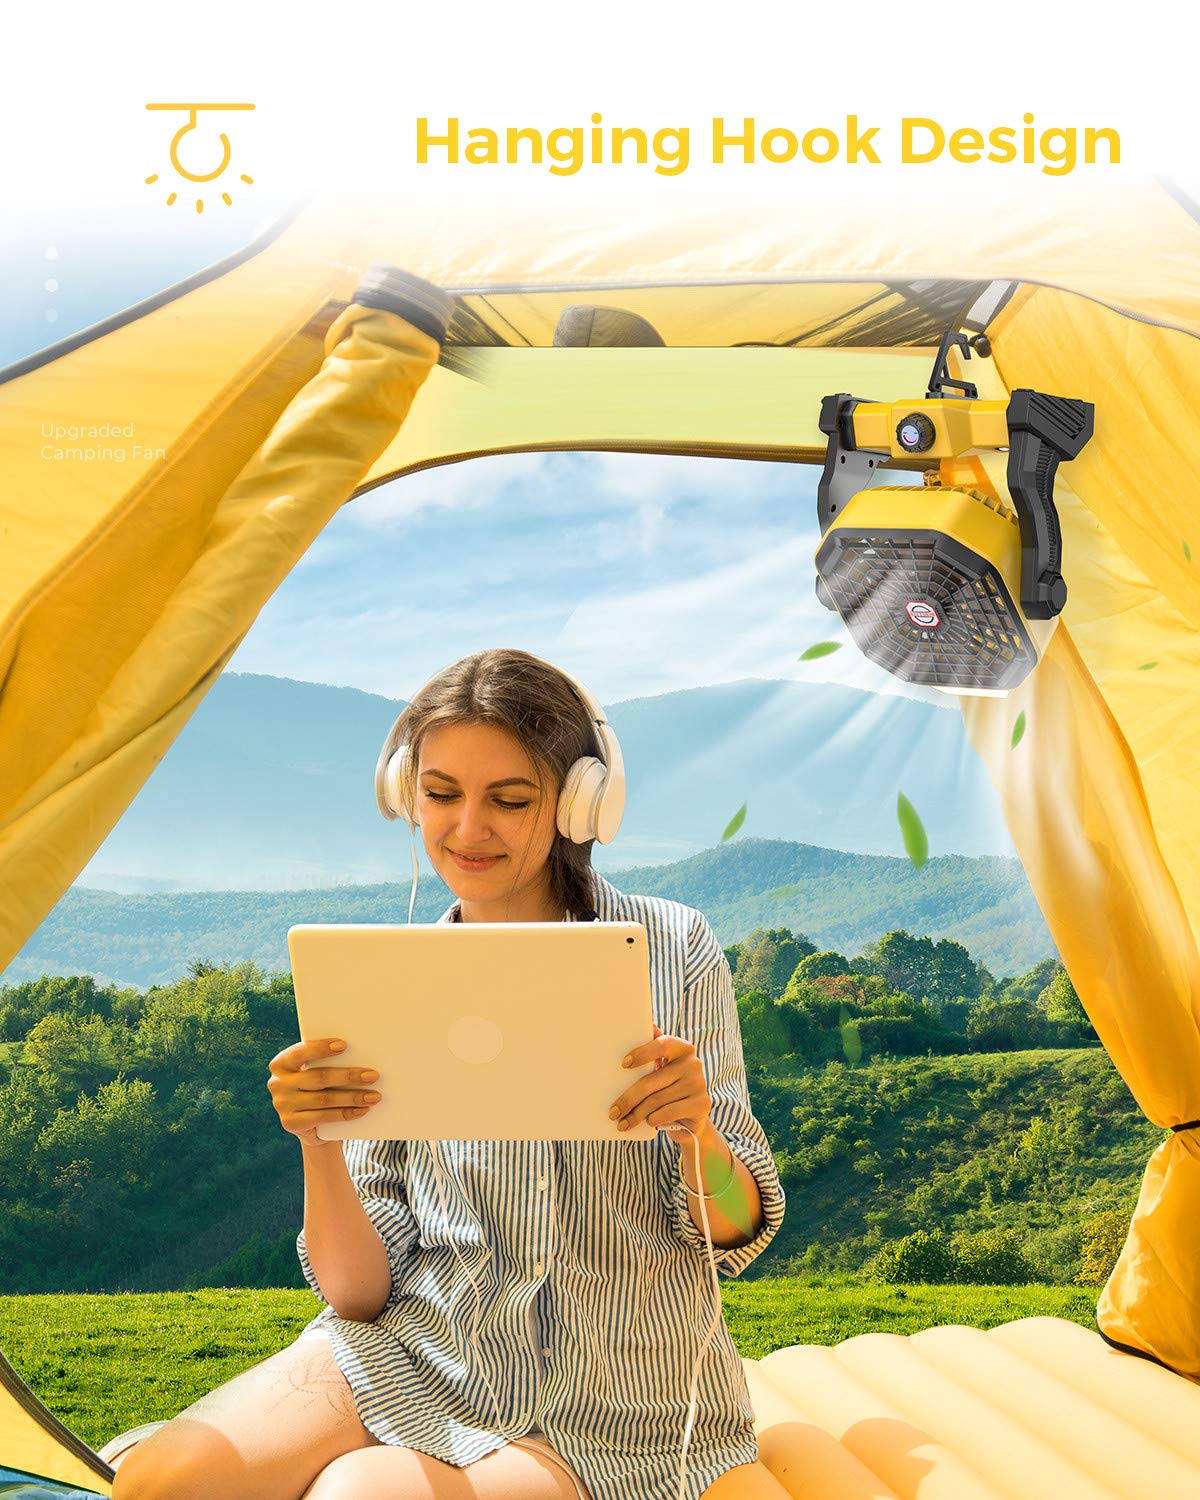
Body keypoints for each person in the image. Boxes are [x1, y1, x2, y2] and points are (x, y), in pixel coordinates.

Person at [111, 648, 786, 1500]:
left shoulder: (674, 948)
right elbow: (358, 1294)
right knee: (163, 1483)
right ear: (406, 793)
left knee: (362, 1492)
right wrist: (318, 1142)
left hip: (613, 1392)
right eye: (440, 795)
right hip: (417, 1344)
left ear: (579, 803)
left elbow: (736, 1231)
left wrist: (699, 1134)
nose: (468, 830)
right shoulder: (387, 980)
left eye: (509, 799)